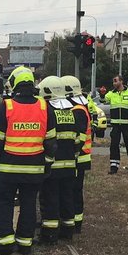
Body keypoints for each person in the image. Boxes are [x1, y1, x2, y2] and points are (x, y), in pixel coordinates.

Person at [0, 67, 57, 255]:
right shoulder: (44, 106)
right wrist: (48, 164)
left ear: (15, 83)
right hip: (34, 169)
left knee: (4, 204)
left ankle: (5, 244)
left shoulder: (7, 106)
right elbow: (51, 142)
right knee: (28, 204)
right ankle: (25, 244)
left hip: (8, 169)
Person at [37, 76, 85, 244]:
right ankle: (67, 230)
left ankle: (49, 236)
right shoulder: (70, 112)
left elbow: (46, 140)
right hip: (70, 166)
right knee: (67, 199)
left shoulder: (48, 113)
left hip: (53, 166)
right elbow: (78, 141)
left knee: (50, 200)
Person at [61, 75, 93, 235]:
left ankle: (76, 224)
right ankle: (72, 221)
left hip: (79, 157)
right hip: (78, 157)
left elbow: (78, 137)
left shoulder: (78, 110)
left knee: (74, 191)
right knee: (71, 190)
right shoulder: (79, 106)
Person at [103, 74, 128, 174]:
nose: (114, 83)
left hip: (127, 124)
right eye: (113, 81)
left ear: (121, 81)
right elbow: (103, 100)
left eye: (116, 81)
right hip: (115, 124)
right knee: (114, 145)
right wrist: (102, 94)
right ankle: (113, 167)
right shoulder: (112, 93)